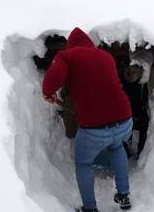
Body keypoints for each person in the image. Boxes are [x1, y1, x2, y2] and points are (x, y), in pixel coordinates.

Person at [42, 27, 133, 212]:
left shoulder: (66, 56)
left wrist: (48, 92)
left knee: (84, 163)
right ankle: (124, 196)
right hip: (124, 120)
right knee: (116, 147)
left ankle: (90, 208)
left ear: (70, 46)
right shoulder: (106, 56)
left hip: (95, 128)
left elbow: (52, 80)